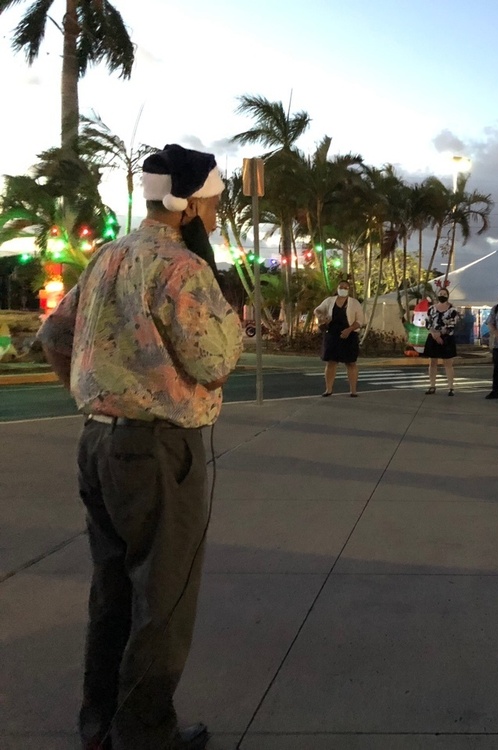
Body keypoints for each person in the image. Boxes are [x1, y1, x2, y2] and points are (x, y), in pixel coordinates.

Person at [37, 144, 244, 750]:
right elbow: (215, 363)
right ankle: (146, 734)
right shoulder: (182, 269)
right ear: (190, 202)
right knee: (163, 600)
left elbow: (55, 338)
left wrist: (100, 395)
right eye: (215, 197)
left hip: (98, 443)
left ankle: (99, 724)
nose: (219, 207)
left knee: (112, 590)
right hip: (158, 453)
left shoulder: (108, 256)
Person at [315, 279, 365, 397]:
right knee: (331, 362)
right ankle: (328, 389)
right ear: (337, 288)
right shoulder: (329, 301)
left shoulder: (354, 303)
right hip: (332, 335)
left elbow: (360, 321)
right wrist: (323, 318)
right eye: (341, 287)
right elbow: (317, 310)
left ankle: (353, 390)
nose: (343, 289)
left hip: (349, 335)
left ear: (349, 290)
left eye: (345, 287)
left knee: (351, 363)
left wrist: (349, 330)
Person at [422, 286, 459, 395]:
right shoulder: (431, 308)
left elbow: (452, 324)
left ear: (447, 296)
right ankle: (432, 386)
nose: (442, 296)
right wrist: (434, 334)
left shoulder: (452, 309)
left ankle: (451, 387)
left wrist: (441, 333)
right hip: (433, 337)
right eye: (440, 294)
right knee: (432, 362)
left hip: (447, 338)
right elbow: (428, 322)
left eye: (444, 294)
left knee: (448, 363)